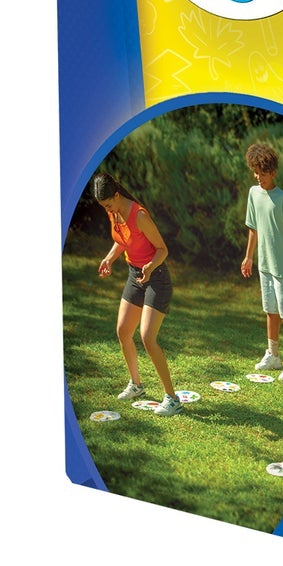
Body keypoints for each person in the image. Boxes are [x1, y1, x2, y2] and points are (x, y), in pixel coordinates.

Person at [92, 171, 182, 416]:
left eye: (108, 205)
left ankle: (172, 399)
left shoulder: (139, 215)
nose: (107, 210)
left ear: (116, 195)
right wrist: (109, 258)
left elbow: (162, 249)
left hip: (156, 277)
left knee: (147, 337)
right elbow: (123, 240)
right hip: (135, 275)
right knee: (123, 330)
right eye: (103, 207)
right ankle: (136, 385)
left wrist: (150, 268)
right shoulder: (114, 212)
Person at [240, 142, 283, 380]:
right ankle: (273, 355)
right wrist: (249, 256)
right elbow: (253, 228)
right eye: (256, 172)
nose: (259, 177)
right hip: (264, 265)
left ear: (274, 173)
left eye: (263, 173)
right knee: (270, 310)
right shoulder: (253, 194)